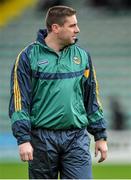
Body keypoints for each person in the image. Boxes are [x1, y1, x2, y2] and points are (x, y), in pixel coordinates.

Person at [9, 5, 108, 179]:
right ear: (55, 28)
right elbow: (19, 101)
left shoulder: (83, 57)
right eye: (72, 26)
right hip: (42, 139)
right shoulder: (27, 57)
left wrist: (100, 135)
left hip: (76, 138)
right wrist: (23, 139)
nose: (77, 30)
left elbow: (92, 97)